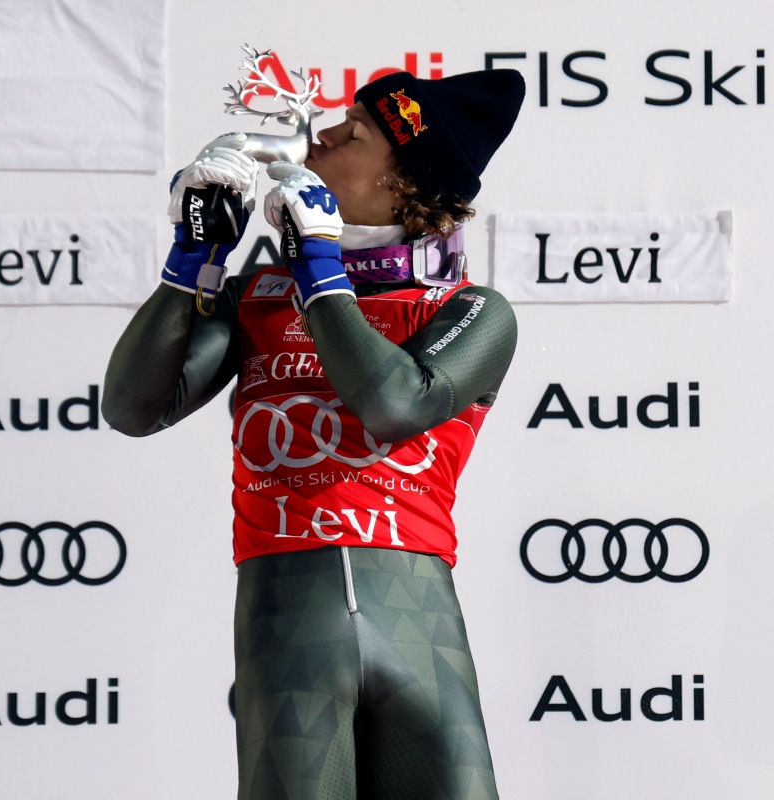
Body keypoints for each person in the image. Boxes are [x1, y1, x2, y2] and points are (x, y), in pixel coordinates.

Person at [104, 68, 525, 800]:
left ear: (404, 187)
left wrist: (321, 268)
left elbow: (393, 406)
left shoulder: (470, 309)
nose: (322, 134)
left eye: (354, 132)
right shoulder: (258, 298)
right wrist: (192, 262)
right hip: (287, 626)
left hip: (420, 630)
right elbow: (134, 407)